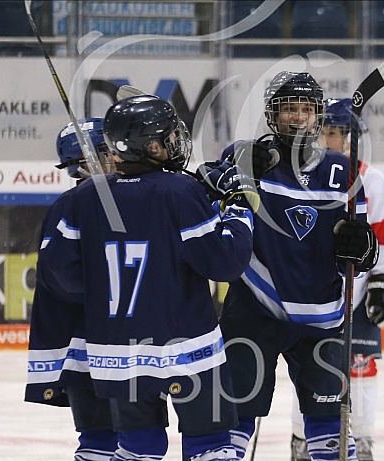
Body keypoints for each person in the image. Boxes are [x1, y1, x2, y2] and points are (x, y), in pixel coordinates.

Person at [28, 95, 258, 461]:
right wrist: (238, 207)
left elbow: (61, 274)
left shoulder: (82, 199)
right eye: (168, 138)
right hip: (188, 349)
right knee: (212, 445)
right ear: (152, 146)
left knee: (138, 449)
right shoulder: (182, 192)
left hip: (116, 353)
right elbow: (224, 263)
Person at [219, 72, 379, 461]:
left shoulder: (343, 170)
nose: (299, 117)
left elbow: (361, 245)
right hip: (255, 311)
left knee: (327, 419)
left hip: (322, 316)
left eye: (307, 109)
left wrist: (363, 246)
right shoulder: (248, 157)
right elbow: (211, 203)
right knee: (235, 413)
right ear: (273, 115)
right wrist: (232, 173)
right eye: (289, 108)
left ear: (319, 115)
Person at [289, 98, 384, 461]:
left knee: (360, 366)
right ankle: (301, 438)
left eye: (337, 132)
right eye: (325, 131)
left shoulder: (379, 183)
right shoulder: (301, 176)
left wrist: (383, 282)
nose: (330, 139)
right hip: (313, 294)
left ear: (355, 137)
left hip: (357, 294)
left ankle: (363, 438)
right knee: (309, 366)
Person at [25, 118, 120, 460]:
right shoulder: (72, 204)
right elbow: (62, 278)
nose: (119, 154)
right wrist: (118, 298)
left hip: (122, 343)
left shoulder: (122, 198)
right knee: (100, 439)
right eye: (109, 150)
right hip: (85, 349)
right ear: (85, 160)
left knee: (133, 435)